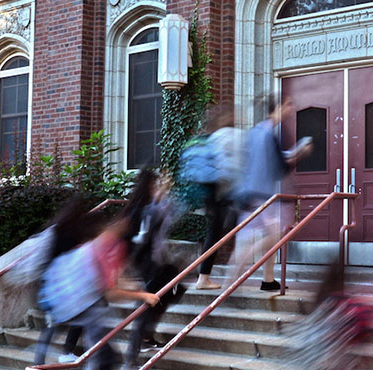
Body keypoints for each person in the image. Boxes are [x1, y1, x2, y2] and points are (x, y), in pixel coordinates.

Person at [38, 197, 160, 369]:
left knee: (102, 353)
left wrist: (132, 287)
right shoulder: (109, 247)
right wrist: (143, 295)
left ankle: (54, 356)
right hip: (81, 303)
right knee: (104, 356)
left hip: (65, 300)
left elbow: (108, 281)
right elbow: (110, 292)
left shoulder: (89, 246)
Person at [231, 96, 312, 291]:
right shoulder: (269, 134)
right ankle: (240, 278)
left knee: (255, 236)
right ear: (277, 107)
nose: (290, 109)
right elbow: (279, 169)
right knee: (274, 237)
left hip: (246, 193)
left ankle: (264, 280)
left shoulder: (254, 132)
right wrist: (300, 154)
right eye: (287, 105)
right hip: (262, 195)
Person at [121, 169, 188, 363]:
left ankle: (145, 338)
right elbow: (169, 215)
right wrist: (163, 198)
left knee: (171, 291)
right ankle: (132, 357)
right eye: (155, 184)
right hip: (149, 263)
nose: (157, 187)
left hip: (154, 262)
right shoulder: (147, 209)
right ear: (149, 186)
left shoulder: (145, 207)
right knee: (146, 305)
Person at [187, 104, 245, 290]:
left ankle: (205, 277)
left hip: (211, 194)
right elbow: (229, 168)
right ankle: (209, 278)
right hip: (222, 194)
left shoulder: (209, 139)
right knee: (243, 228)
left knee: (216, 233)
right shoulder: (225, 137)